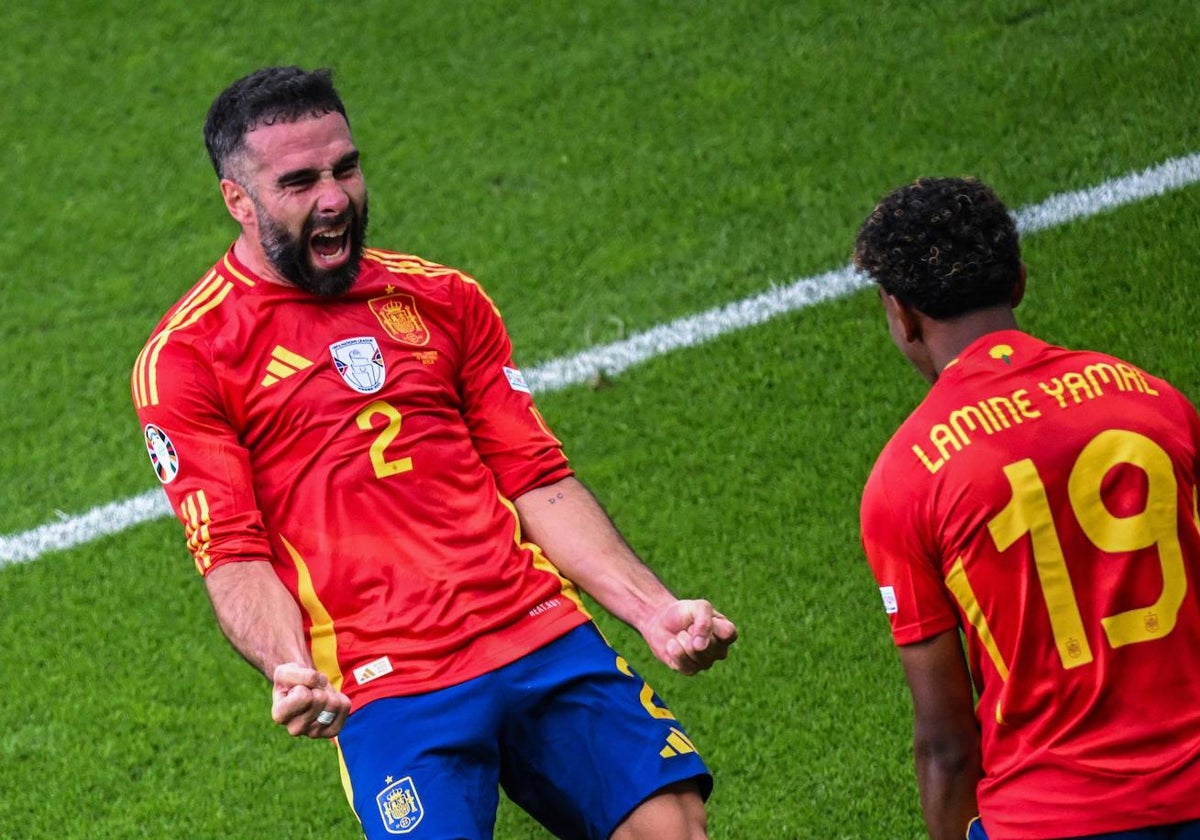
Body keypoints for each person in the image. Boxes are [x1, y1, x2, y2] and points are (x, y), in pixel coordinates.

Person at [131, 66, 737, 840]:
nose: (335, 198)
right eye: (300, 181)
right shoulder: (191, 354)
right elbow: (233, 552)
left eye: (346, 167)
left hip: (536, 628)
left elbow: (536, 477)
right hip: (390, 684)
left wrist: (654, 612)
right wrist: (291, 666)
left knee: (674, 830)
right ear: (237, 201)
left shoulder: (443, 299)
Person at [854, 176, 1200, 840]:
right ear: (1018, 279)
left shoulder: (907, 476)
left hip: (1054, 818)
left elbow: (947, 742)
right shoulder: (1155, 402)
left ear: (901, 313)